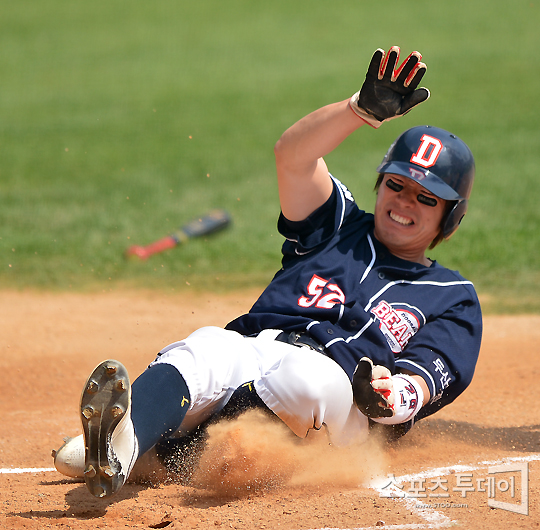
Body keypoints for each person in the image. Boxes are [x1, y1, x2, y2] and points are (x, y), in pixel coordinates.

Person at [53, 46, 482, 498]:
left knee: (306, 382)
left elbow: (422, 382)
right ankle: (121, 448)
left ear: (451, 218)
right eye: (396, 184)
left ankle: (165, 458)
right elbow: (293, 157)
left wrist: (389, 394)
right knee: (204, 348)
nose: (404, 202)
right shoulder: (335, 223)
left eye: (426, 198)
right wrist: (359, 110)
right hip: (255, 348)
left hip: (337, 399)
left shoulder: (452, 295)